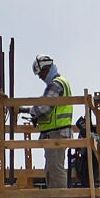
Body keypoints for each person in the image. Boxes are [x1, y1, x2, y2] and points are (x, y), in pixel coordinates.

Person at [28, 54, 75, 188]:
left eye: (41, 74)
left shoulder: (55, 84)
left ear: (46, 69)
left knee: (55, 168)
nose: (40, 77)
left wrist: (30, 111)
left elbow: (44, 108)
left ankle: (58, 196)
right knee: (51, 168)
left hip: (57, 133)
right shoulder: (60, 83)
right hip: (56, 133)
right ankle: (55, 195)